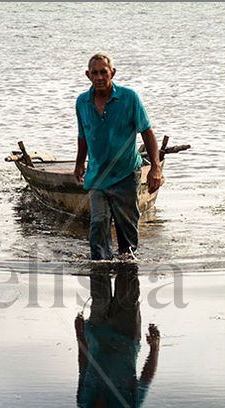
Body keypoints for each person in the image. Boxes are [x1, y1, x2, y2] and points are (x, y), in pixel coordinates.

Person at [74, 53, 162, 260]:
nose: (99, 77)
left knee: (127, 235)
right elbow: (83, 136)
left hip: (126, 173)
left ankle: (127, 275)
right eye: (94, 73)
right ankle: (100, 274)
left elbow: (147, 133)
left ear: (112, 73)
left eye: (103, 72)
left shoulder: (129, 98)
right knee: (98, 224)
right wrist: (79, 165)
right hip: (97, 177)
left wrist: (156, 168)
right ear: (88, 75)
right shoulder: (82, 102)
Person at [74, 265, 160, 408]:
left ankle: (99, 248)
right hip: (127, 333)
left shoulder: (83, 402)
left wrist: (79, 334)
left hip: (96, 331)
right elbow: (146, 378)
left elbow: (83, 366)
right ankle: (127, 251)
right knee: (127, 277)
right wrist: (155, 348)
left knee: (99, 277)